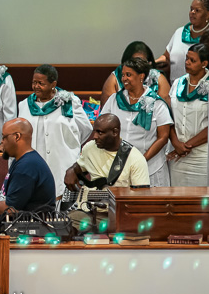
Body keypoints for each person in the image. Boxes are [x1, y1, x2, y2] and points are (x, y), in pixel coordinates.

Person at [17, 64, 92, 196]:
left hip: (62, 162)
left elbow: (86, 128)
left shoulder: (69, 102)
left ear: (53, 84)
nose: (36, 86)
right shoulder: (24, 105)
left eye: (41, 83)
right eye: (34, 82)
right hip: (35, 163)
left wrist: (71, 144)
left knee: (62, 200)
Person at [102, 57, 173, 187]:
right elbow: (102, 125)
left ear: (141, 76)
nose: (124, 79)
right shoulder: (114, 100)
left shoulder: (156, 103)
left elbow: (163, 137)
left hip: (151, 166)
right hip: (119, 167)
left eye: (128, 75)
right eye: (123, 75)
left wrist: (141, 160)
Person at [64, 114, 150, 192]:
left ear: (115, 132)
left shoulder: (136, 159)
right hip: (88, 204)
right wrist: (71, 170)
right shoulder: (90, 148)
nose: (95, 136)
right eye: (94, 131)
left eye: (100, 132)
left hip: (118, 204)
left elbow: (141, 196)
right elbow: (80, 167)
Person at [167, 43, 209, 186]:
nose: (187, 62)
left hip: (203, 157)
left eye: (192, 60)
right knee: (176, 197)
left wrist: (186, 146)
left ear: (204, 64)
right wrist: (176, 144)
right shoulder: (178, 83)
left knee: (202, 198)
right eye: (187, 58)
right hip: (177, 156)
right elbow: (169, 117)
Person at [158, 0, 209, 82]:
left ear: (208, 14)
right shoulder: (180, 32)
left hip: (205, 87)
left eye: (197, 10)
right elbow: (167, 57)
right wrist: (152, 63)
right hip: (176, 87)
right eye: (191, 9)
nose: (192, 12)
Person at [100, 41, 170, 108]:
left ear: (149, 63)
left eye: (142, 63)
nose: (138, 67)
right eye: (133, 63)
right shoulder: (115, 77)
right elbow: (107, 111)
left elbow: (165, 108)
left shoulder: (158, 78)